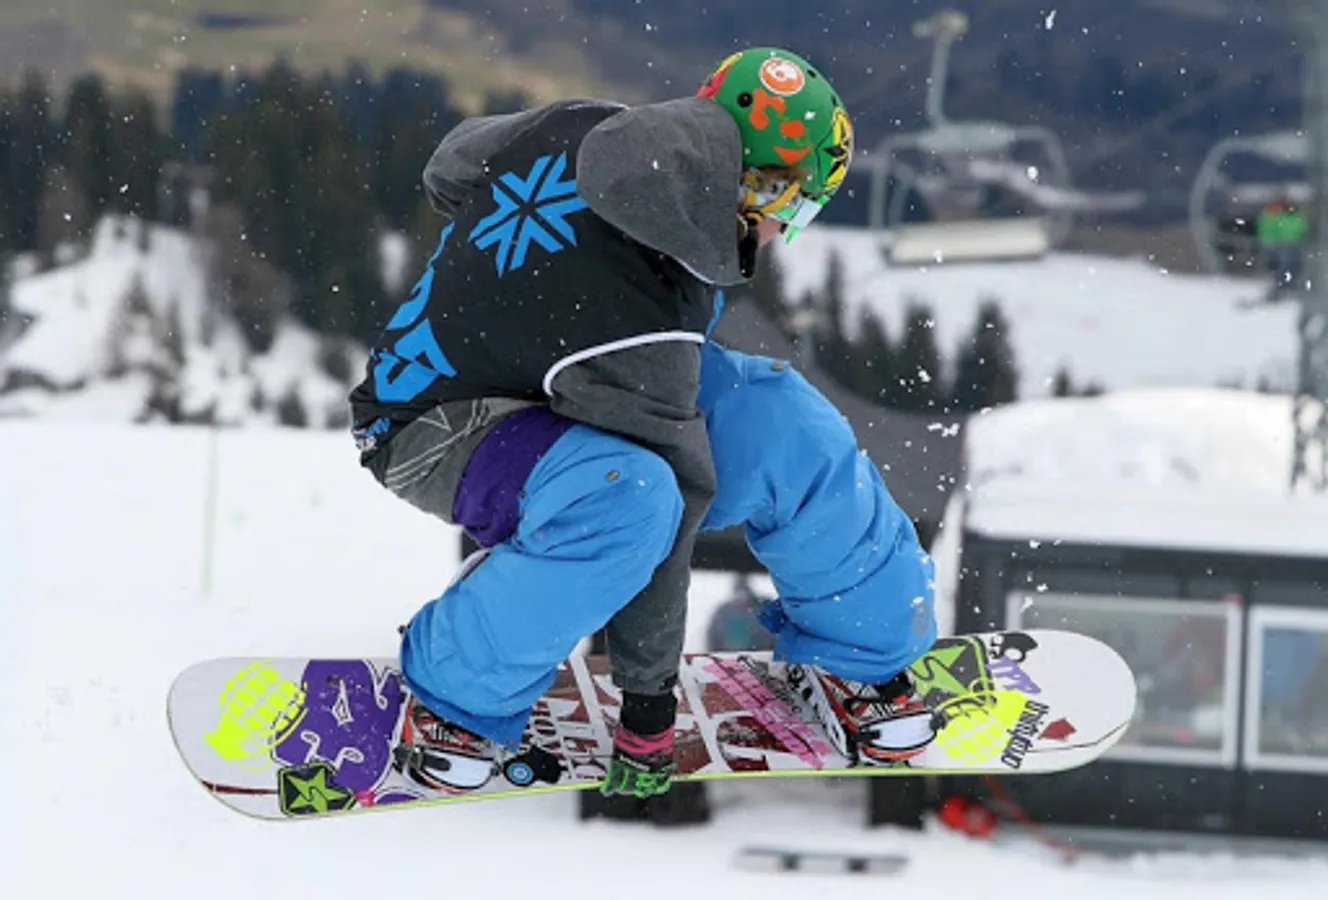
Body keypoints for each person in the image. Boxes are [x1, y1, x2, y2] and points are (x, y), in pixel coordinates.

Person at [348, 47, 938, 799]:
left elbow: (455, 162)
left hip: (553, 381)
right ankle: (456, 686)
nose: (782, 235)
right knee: (630, 500)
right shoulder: (644, 325)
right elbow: (672, 506)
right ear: (759, 190)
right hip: (432, 424)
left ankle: (857, 653)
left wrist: (512, 279)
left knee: (783, 425)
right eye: (796, 211)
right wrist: (649, 707)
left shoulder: (586, 123)